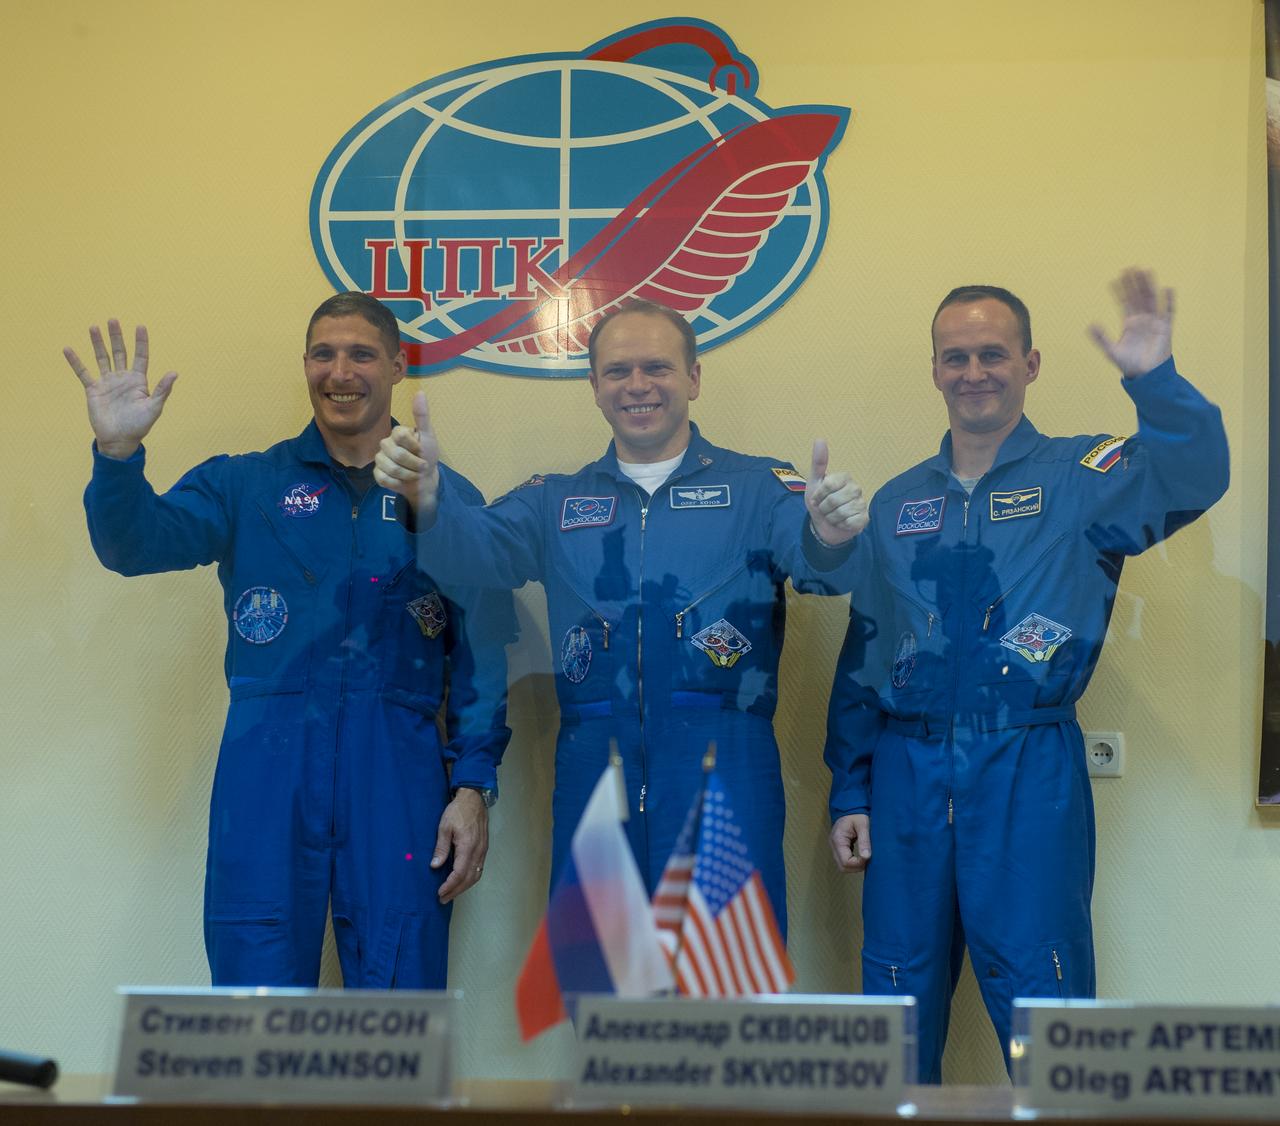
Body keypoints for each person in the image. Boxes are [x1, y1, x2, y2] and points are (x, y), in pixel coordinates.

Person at [824, 270, 1229, 1081]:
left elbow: (1195, 476)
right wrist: (851, 789)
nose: (974, 371)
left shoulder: (1084, 478)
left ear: (1031, 363)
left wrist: (1155, 380)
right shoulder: (899, 504)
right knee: (896, 997)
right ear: (935, 370)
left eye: (993, 354)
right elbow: (867, 650)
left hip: (1025, 769)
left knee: (1046, 997)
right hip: (905, 775)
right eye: (955, 357)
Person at [373, 299, 868, 935]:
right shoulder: (555, 499)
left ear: (693, 378)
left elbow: (822, 571)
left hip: (726, 763)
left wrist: (830, 535)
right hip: (593, 765)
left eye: (657, 367)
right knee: (601, 975)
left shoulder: (758, 488)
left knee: (726, 974)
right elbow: (474, 553)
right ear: (594, 385)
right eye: (617, 371)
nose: (637, 385)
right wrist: (428, 502)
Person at [65, 292, 513, 988]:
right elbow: (133, 545)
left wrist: (473, 787)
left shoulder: (443, 499)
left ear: (398, 366)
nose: (341, 372)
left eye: (362, 354)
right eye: (323, 354)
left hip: (398, 779)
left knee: (401, 1000)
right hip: (267, 773)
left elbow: (483, 655)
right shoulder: (246, 485)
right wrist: (118, 456)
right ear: (305, 364)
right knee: (255, 997)